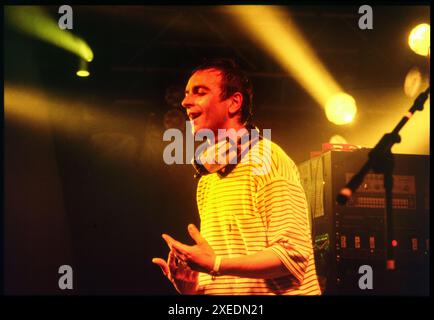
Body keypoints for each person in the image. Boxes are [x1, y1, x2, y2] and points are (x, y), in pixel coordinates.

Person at [152, 59, 321, 295]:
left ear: (233, 102)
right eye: (186, 93)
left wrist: (216, 264)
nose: (185, 102)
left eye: (199, 92)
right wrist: (192, 287)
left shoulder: (268, 159)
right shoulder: (208, 177)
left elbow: (293, 256)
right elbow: (224, 272)